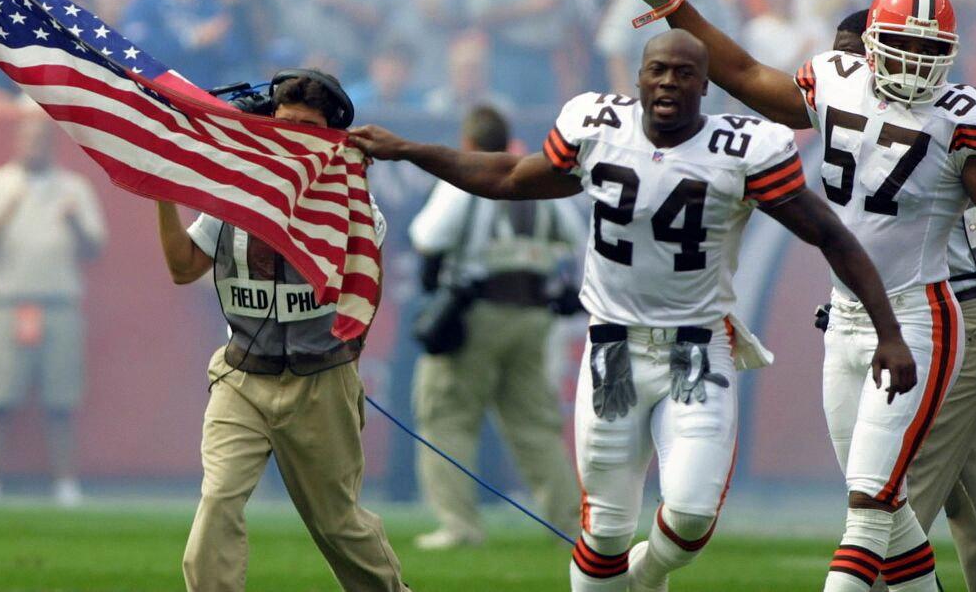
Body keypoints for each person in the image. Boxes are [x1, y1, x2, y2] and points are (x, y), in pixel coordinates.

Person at [351, 30, 915, 592]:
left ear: (704, 84)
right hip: (613, 350)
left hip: (697, 351)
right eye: (658, 70)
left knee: (692, 516)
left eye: (685, 72)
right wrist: (409, 149)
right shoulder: (598, 128)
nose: (669, 81)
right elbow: (507, 178)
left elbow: (831, 236)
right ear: (640, 77)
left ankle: (646, 578)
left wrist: (889, 330)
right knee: (604, 533)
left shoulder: (745, 150)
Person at [622, 0, 976, 591]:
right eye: (904, 46)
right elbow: (738, 69)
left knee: (869, 508)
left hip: (922, 318)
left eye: (930, 53)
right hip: (848, 321)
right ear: (871, 45)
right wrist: (677, 8)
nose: (916, 65)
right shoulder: (836, 83)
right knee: (888, 508)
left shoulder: (963, 121)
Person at [153, 70, 408, 592]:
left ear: (330, 136)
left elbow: (363, 278)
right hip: (242, 374)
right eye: (284, 123)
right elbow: (183, 267)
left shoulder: (351, 203)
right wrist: (163, 189)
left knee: (339, 525)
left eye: (307, 127)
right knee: (218, 499)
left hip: (321, 380)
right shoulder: (234, 189)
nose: (291, 135)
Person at [828, 14, 976, 592]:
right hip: (961, 312)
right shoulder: (864, 118)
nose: (850, 71)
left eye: (856, 55)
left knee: (903, 485)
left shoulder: (942, 125)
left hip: (970, 314)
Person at [407, 104, 581, 550]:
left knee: (446, 416)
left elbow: (427, 235)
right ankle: (569, 527)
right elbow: (575, 241)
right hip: (534, 316)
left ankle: (458, 526)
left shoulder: (465, 181)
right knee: (535, 425)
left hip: (476, 314)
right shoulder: (537, 182)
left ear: (468, 145)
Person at [0, 109, 106, 507]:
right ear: (16, 143)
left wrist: (74, 222)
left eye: (42, 140)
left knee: (62, 399)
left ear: (53, 145)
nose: (34, 147)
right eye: (28, 139)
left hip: (59, 303)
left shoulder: (74, 188)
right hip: (3, 302)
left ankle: (65, 485)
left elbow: (95, 250)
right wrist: (6, 212)